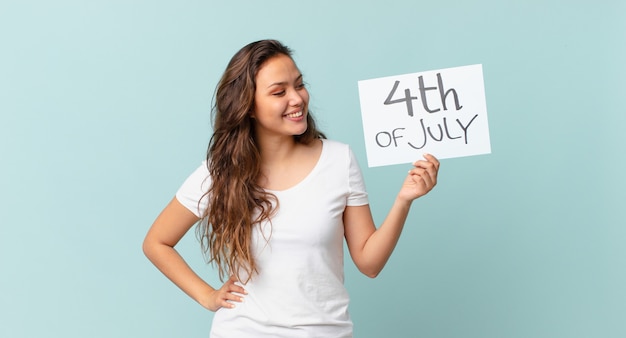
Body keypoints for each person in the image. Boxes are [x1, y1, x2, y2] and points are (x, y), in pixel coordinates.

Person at [143, 39, 440, 338]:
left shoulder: (339, 160)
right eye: (279, 92)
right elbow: (157, 242)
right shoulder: (221, 171)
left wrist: (404, 200)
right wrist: (207, 296)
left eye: (299, 85)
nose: (297, 98)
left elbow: (369, 263)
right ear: (248, 107)